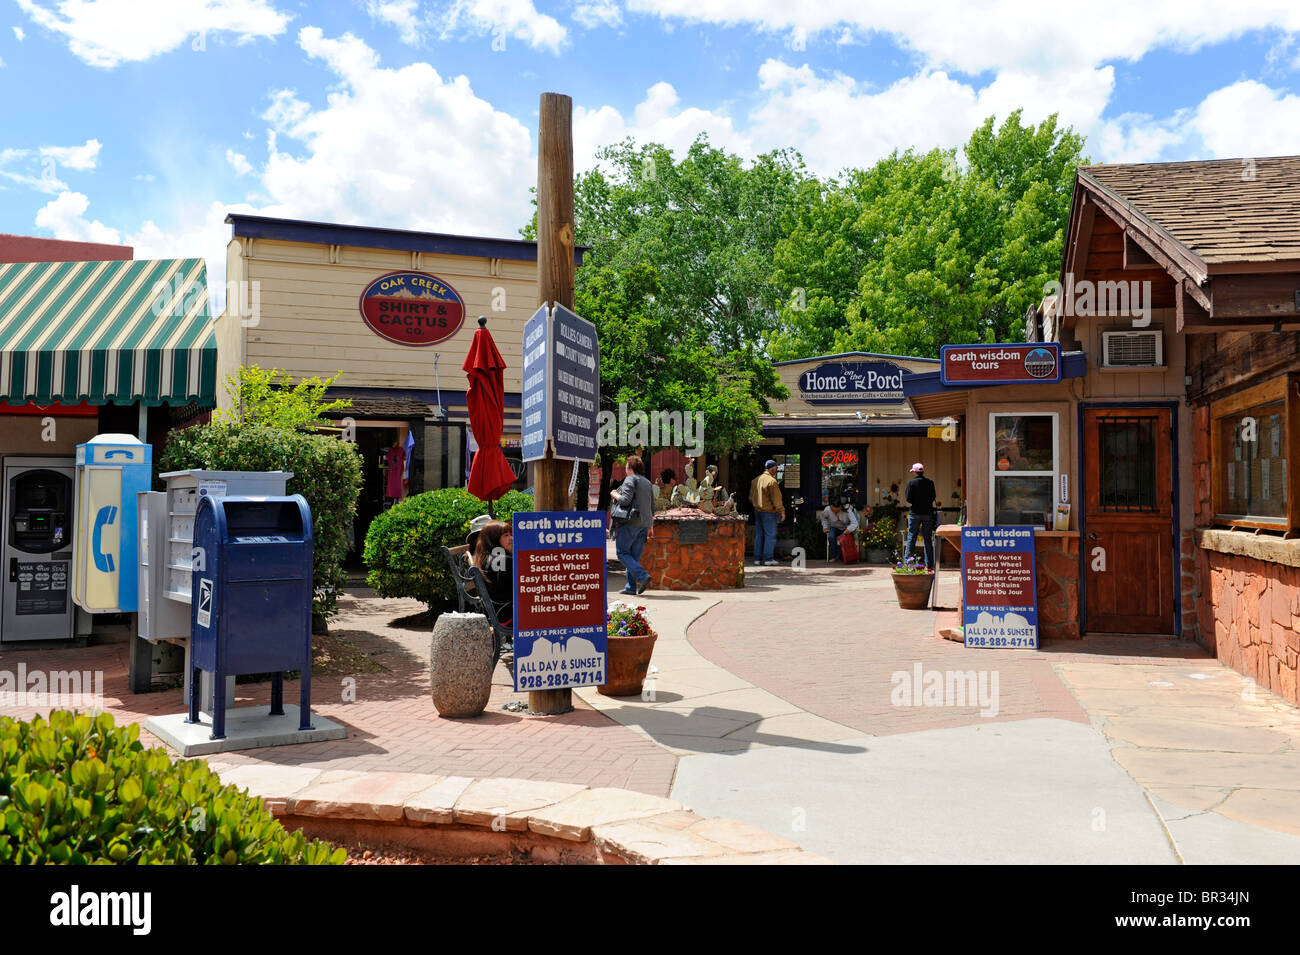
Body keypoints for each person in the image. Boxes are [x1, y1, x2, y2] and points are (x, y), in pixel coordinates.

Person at [613, 455, 655, 594]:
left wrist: (614, 494)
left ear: (630, 468)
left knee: (622, 553)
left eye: (626, 467)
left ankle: (642, 576)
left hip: (631, 522)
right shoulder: (647, 482)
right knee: (633, 556)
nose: (625, 469)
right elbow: (651, 506)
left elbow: (625, 500)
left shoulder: (630, 479)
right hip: (644, 523)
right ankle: (630, 588)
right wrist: (650, 526)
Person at [471, 521, 513, 625]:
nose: (511, 539)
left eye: (511, 535)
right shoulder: (504, 560)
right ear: (494, 539)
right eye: (506, 535)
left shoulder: (485, 558)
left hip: (495, 613)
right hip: (507, 615)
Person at [749, 459, 785, 566]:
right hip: (769, 512)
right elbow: (776, 499)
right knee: (770, 535)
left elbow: (751, 497)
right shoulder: (772, 481)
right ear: (773, 469)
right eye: (776, 468)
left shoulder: (755, 480)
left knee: (759, 535)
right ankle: (768, 559)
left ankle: (757, 559)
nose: (777, 469)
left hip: (757, 511)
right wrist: (781, 511)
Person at [904, 462, 938, 570]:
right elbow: (933, 497)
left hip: (915, 513)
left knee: (911, 537)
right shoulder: (930, 482)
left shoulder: (911, 483)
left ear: (914, 472)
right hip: (928, 513)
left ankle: (909, 564)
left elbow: (908, 499)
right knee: (927, 539)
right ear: (923, 471)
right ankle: (929, 565)